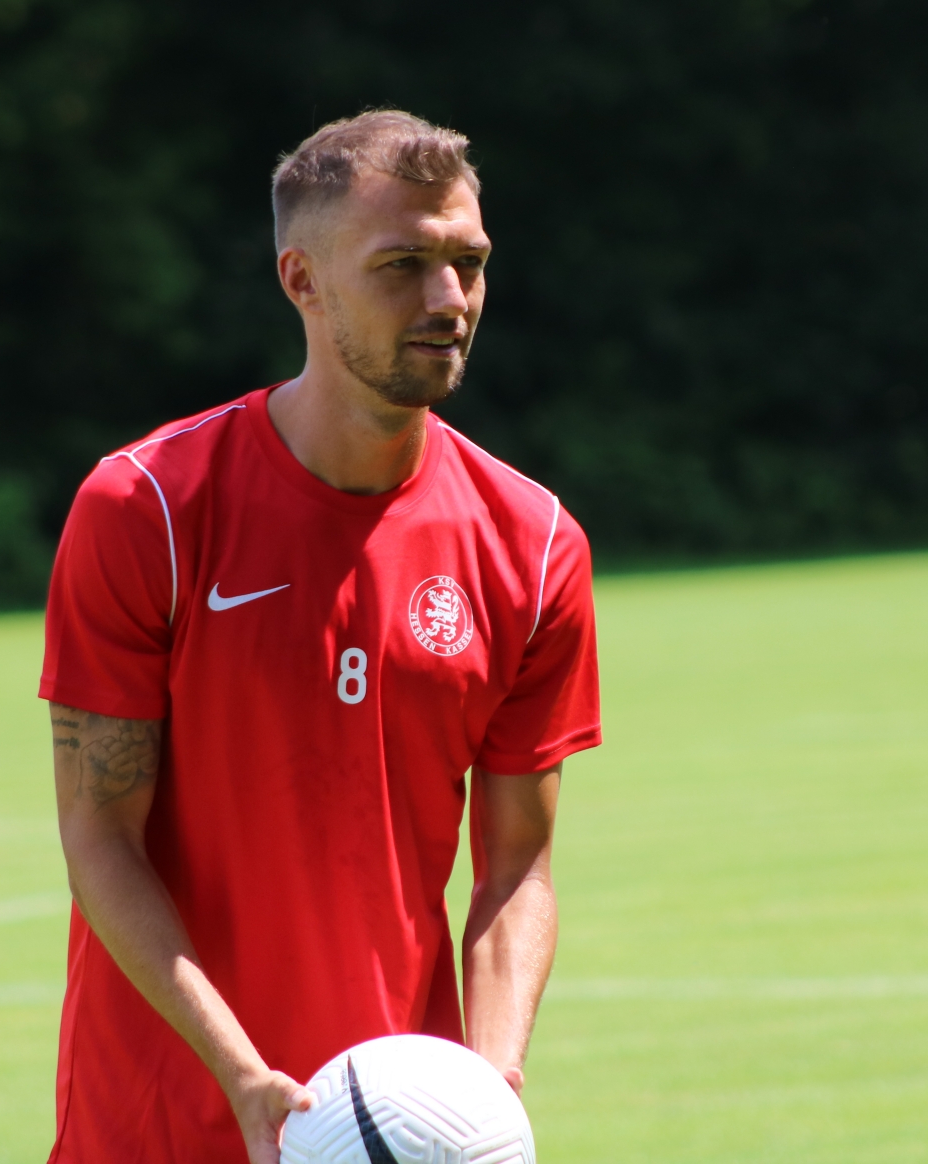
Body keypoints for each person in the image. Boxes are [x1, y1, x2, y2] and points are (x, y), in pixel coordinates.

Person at [39, 109, 602, 1164]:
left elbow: (517, 866)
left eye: (469, 263)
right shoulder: (147, 510)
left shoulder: (532, 546)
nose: (449, 299)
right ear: (301, 279)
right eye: (403, 265)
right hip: (161, 1125)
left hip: (401, 1127)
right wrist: (245, 1076)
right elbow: (101, 836)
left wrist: (488, 1083)